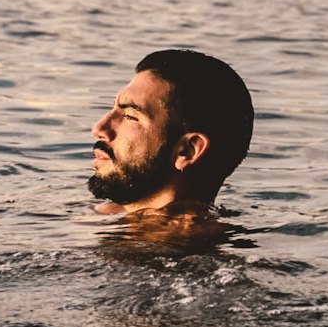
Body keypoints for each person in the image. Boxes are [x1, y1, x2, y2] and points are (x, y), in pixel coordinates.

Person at [89, 49, 254, 218]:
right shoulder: (112, 213)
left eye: (130, 116)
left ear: (187, 151)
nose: (99, 129)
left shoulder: (170, 242)